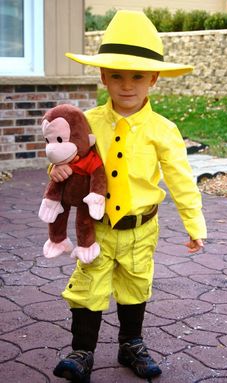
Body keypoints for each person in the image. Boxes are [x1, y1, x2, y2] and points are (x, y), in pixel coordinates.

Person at [51, 10, 207, 383]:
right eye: (117, 75)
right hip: (96, 228)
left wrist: (194, 223)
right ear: (103, 76)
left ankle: (131, 343)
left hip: (140, 229)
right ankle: (82, 351)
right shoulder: (84, 123)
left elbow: (181, 179)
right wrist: (56, 173)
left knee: (135, 285)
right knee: (89, 286)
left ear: (153, 78)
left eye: (137, 76)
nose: (126, 85)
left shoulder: (163, 130)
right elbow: (66, 161)